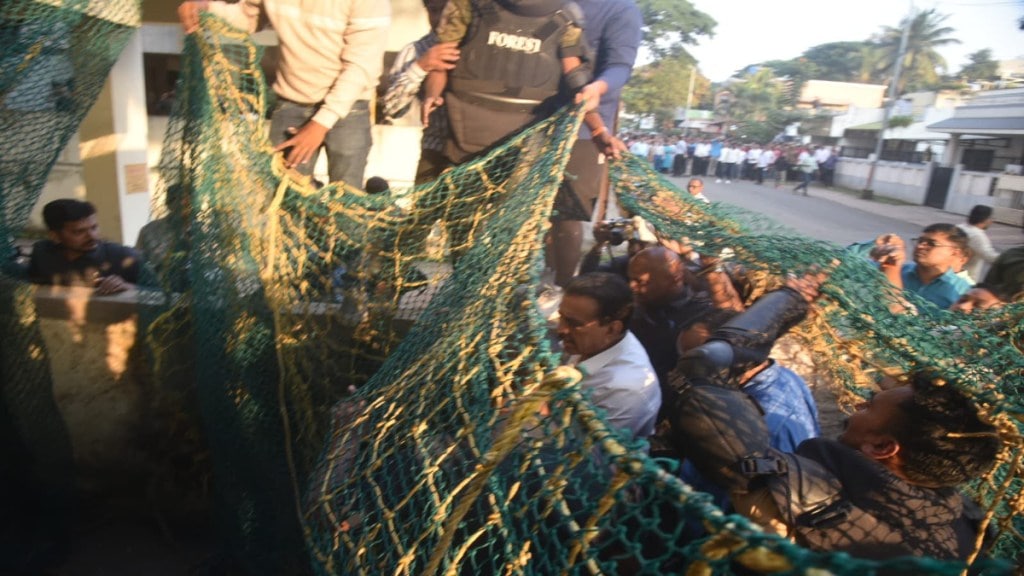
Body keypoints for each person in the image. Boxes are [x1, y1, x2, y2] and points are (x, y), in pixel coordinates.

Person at [667, 278, 1001, 561]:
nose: (855, 406)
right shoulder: (961, 527)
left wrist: (789, 299)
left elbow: (701, 370)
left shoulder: (804, 505)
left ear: (882, 446)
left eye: (868, 407)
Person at [177, 0, 391, 188]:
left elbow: (361, 65)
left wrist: (320, 124)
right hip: (291, 104)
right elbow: (248, 17)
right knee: (283, 199)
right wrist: (205, 7)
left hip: (349, 109)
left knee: (347, 203)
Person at [556, 272, 661, 441]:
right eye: (561, 317)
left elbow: (584, 457)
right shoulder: (595, 341)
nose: (560, 329)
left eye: (573, 324)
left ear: (612, 329)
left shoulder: (625, 390)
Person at [382, 0, 460, 185]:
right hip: (434, 152)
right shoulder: (415, 50)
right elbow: (391, 108)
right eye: (434, 11)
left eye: (447, 11)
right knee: (424, 212)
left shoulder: (478, 48)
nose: (441, 18)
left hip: (476, 150)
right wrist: (420, 67)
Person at [29, 199, 140, 294]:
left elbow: (155, 293)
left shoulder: (123, 256)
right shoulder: (42, 253)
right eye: (79, 232)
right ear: (55, 236)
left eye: (94, 227)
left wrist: (127, 287)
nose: (92, 236)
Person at [870, 224, 972, 309]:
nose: (920, 246)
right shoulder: (894, 269)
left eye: (931, 244)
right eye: (920, 241)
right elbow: (855, 260)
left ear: (955, 253)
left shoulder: (961, 291)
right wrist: (876, 246)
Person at [957, 205, 1001, 282]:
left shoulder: (959, 227)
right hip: (965, 279)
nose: (992, 221)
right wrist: (1010, 257)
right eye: (991, 218)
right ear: (985, 219)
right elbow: (991, 257)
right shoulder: (977, 235)